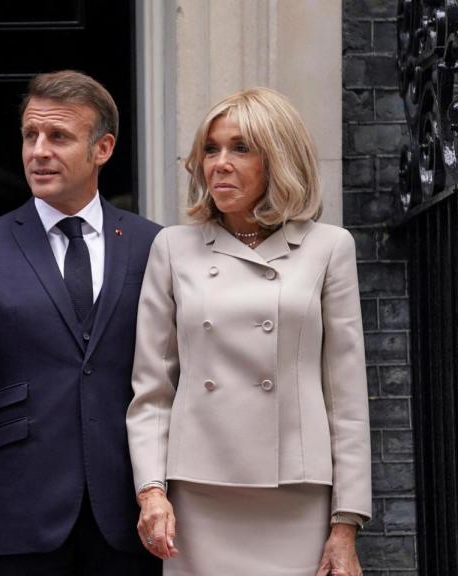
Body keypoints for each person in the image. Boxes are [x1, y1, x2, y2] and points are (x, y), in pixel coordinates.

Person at [0, 70, 161, 575]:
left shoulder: (153, 245)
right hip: (16, 514)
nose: (38, 151)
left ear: (103, 148)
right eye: (30, 135)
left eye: (59, 136)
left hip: (129, 514)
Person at [126, 87, 372, 575]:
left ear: (278, 160)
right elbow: (152, 390)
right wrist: (151, 491)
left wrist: (346, 524)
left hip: (297, 492)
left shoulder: (328, 248)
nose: (219, 163)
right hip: (200, 489)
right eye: (211, 149)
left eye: (240, 148)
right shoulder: (172, 248)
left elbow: (346, 398)